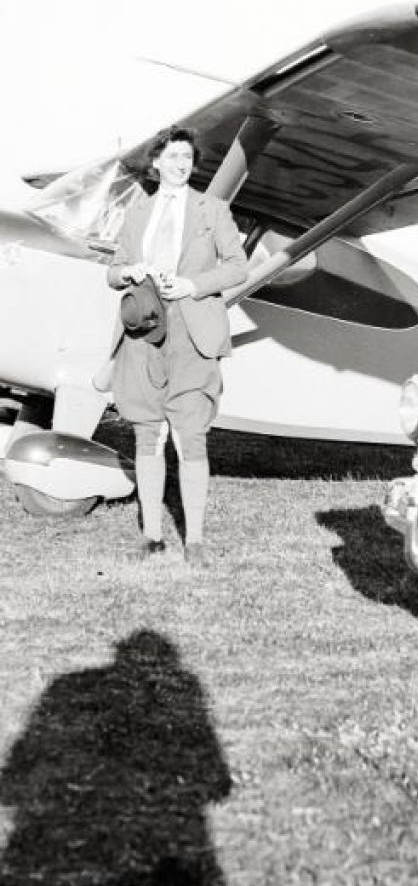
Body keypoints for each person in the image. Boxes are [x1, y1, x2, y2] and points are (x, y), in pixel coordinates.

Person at [108, 126, 248, 564]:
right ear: (156, 163)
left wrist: (192, 284)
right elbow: (112, 271)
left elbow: (238, 267)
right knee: (147, 435)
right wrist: (130, 273)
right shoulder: (138, 213)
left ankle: (196, 542)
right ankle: (151, 536)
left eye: (187, 157)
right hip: (143, 334)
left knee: (192, 438)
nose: (181, 164)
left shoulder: (214, 209)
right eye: (172, 157)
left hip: (192, 335)